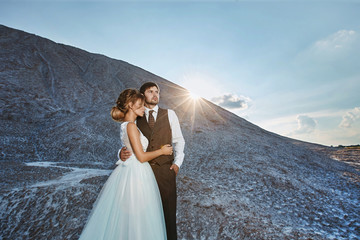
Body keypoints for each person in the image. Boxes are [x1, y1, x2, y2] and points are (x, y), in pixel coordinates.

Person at [79, 89, 173, 240]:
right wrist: (162, 151)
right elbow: (141, 157)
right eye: (141, 105)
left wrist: (122, 154)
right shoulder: (131, 126)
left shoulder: (126, 125)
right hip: (137, 173)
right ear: (130, 105)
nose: (144, 108)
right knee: (138, 217)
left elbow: (129, 149)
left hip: (131, 171)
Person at [119, 82, 185, 240]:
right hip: (142, 173)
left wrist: (177, 164)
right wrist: (120, 153)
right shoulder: (136, 116)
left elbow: (179, 141)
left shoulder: (169, 114)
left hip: (165, 172)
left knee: (168, 216)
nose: (155, 95)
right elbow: (128, 141)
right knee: (144, 217)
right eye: (150, 92)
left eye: (157, 92)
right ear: (142, 95)